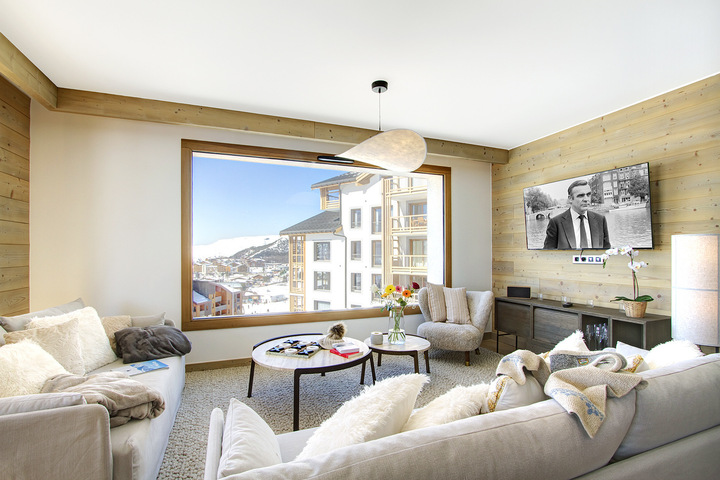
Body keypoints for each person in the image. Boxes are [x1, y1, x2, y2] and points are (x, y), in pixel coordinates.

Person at [543, 179, 610, 249]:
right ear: (570, 199)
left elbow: (607, 250)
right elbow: (548, 253)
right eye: (581, 195)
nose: (586, 199)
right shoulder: (556, 223)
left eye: (588, 194)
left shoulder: (600, 220)